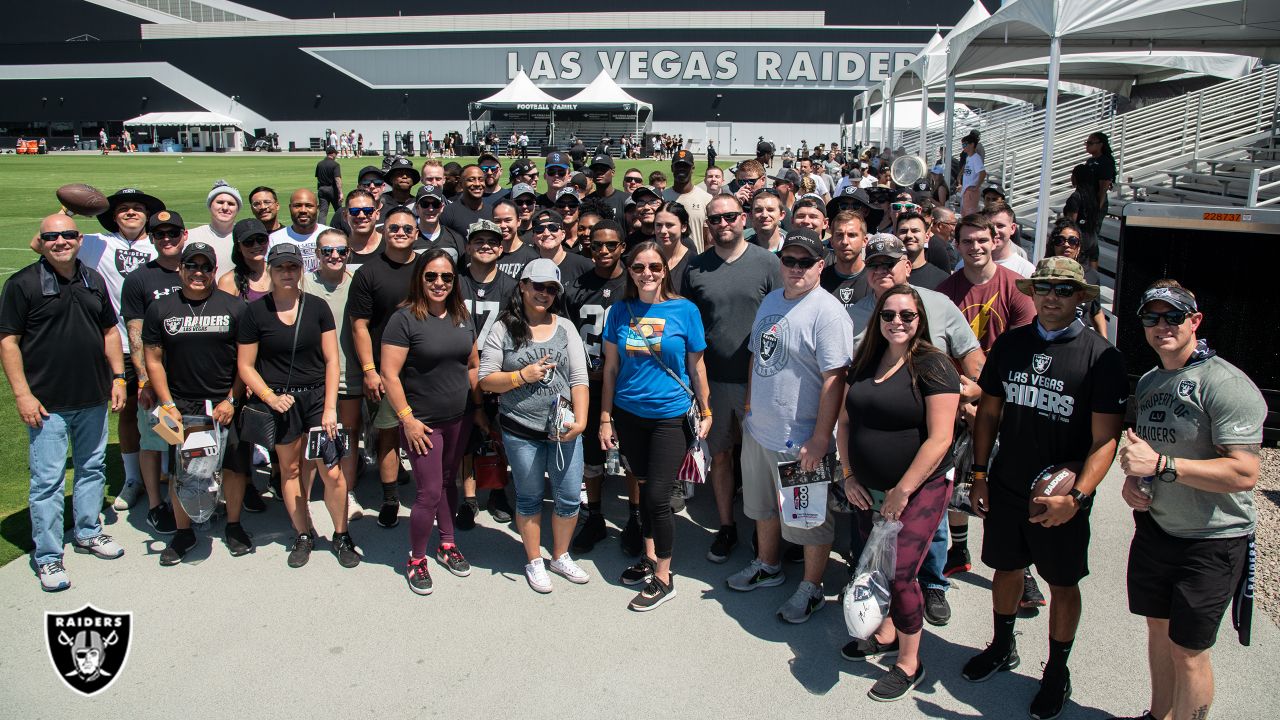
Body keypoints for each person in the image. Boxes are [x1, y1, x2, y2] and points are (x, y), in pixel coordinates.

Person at [962, 257, 1128, 720]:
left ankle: (1056, 671)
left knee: (1062, 582)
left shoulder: (1102, 356)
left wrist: (1077, 498)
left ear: (1080, 297)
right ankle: (1001, 645)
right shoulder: (1011, 344)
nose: (1052, 296)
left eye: (1063, 289)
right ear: (1032, 294)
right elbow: (990, 414)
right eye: (1044, 288)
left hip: (1061, 494)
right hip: (1009, 482)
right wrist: (979, 474)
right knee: (1007, 569)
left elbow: (1105, 441)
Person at [1112, 280, 1264, 720]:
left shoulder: (1225, 383)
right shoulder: (1150, 380)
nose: (1162, 326)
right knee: (1158, 634)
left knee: (1189, 651)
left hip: (1212, 540)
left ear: (1194, 321)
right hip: (1158, 530)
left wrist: (1161, 466)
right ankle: (1158, 716)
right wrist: (1136, 484)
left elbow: (1244, 472)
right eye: (1151, 318)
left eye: (1173, 316)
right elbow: (1147, 457)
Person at [846, 234, 985, 626]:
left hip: (923, 444)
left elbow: (971, 355)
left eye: (890, 263)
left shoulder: (938, 305)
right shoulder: (855, 314)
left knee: (927, 529)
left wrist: (976, 388)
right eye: (874, 265)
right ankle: (877, 603)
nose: (881, 271)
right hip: (873, 444)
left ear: (908, 265)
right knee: (875, 536)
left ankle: (933, 584)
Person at [838, 284, 961, 701]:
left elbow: (940, 439)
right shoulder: (865, 360)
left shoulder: (934, 365)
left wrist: (902, 491)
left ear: (920, 319)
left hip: (921, 486)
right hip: (864, 487)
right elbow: (845, 424)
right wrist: (850, 474)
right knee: (874, 563)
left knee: (903, 571)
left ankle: (910, 662)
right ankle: (886, 631)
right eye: (888, 315)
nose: (897, 322)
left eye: (907, 315)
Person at [724, 228, 853, 626]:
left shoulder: (828, 311)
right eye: (789, 260)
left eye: (805, 261)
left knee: (808, 519)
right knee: (762, 508)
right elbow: (756, 355)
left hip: (800, 440)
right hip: (761, 429)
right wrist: (748, 407)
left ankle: (812, 587)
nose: (795, 268)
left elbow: (836, 379)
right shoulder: (771, 301)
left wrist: (819, 438)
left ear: (821, 265)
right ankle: (768, 564)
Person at [1, 214, 127, 591]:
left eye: (68, 235)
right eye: (52, 236)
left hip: (92, 395)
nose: (61, 241)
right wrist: (22, 394)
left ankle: (88, 531)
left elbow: (108, 331)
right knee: (48, 481)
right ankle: (48, 556)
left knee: (92, 468)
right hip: (47, 403)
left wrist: (118, 377)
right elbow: (8, 342)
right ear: (41, 241)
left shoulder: (92, 278)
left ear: (78, 239)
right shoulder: (23, 284)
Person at [600, 240, 710, 610]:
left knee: (658, 497)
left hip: (669, 416)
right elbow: (611, 368)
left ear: (665, 271)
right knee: (644, 487)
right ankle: (649, 556)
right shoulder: (619, 311)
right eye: (638, 267)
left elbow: (696, 366)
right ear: (629, 272)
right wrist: (604, 417)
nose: (647, 274)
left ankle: (664, 576)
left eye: (654, 267)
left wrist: (707, 410)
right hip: (629, 415)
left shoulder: (685, 310)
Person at [237, 242, 357, 568]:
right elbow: (246, 365)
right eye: (280, 268)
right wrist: (270, 397)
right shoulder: (255, 312)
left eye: (292, 267)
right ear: (271, 272)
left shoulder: (317, 307)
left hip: (318, 398)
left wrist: (331, 407)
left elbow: (333, 360)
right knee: (289, 470)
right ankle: (303, 533)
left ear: (300, 270)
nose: (287, 273)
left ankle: (341, 533)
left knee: (331, 471)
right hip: (281, 402)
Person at [478, 259, 592, 594]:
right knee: (528, 497)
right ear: (523, 286)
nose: (543, 294)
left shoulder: (566, 327)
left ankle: (560, 555)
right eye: (537, 286)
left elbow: (578, 377)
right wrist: (521, 376)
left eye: (551, 289)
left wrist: (582, 420)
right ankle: (534, 560)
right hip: (521, 429)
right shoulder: (503, 327)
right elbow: (486, 380)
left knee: (569, 497)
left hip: (563, 429)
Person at [682, 194, 781, 563]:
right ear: (707, 223)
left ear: (744, 219)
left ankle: (764, 528)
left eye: (730, 217)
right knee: (721, 456)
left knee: (758, 460)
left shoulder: (768, 263)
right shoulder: (696, 268)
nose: (723, 224)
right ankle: (727, 525)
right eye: (715, 219)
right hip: (714, 382)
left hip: (762, 381)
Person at [142, 241, 254, 566]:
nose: (198, 272)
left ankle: (233, 524)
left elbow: (245, 362)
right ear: (180, 268)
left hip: (224, 403)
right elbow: (153, 359)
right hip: (183, 406)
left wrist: (232, 399)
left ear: (214, 271)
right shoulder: (161, 309)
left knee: (233, 469)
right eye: (192, 265)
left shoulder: (234, 307)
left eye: (205, 267)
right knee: (183, 472)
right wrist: (167, 403)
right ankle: (184, 531)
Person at [380, 249, 482, 593]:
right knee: (426, 492)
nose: (439, 283)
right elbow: (389, 374)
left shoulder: (461, 315)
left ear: (455, 282)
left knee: (448, 482)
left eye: (447, 277)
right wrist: (406, 419)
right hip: (422, 422)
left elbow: (471, 364)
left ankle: (448, 544)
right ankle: (417, 559)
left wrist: (478, 406)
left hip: (459, 416)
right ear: (420, 278)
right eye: (431, 276)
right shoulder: (404, 318)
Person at [77, 188, 161, 519]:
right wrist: (70, 211)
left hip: (160, 345)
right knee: (128, 412)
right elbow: (42, 244)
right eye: (123, 209)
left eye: (137, 208)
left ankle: (166, 470)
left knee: (166, 409)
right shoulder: (98, 243)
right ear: (113, 215)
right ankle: (132, 478)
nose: (130, 213)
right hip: (120, 345)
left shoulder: (160, 242)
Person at [563, 221, 639, 553]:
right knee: (591, 455)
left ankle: (635, 518)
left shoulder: (635, 283)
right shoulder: (576, 287)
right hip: (589, 385)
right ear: (587, 246)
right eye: (597, 245)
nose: (604, 251)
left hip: (629, 384)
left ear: (623, 246)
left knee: (632, 456)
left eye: (611, 245)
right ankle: (594, 516)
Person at [348, 206, 421, 529]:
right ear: (384, 231)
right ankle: (390, 497)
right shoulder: (369, 272)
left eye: (407, 228)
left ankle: (431, 493)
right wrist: (369, 369)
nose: (401, 233)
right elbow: (359, 325)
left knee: (431, 433)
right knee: (388, 435)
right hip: (387, 371)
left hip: (425, 368)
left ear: (416, 233)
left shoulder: (427, 268)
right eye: (394, 228)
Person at [119, 211, 191, 534]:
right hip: (156, 376)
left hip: (191, 376)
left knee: (188, 441)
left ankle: (192, 499)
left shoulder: (196, 269)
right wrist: (145, 379)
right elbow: (136, 335)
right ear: (151, 238)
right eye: (159, 234)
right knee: (154, 441)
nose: (166, 239)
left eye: (172, 233)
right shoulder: (139, 279)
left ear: (184, 234)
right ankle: (154, 504)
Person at [455, 220, 519, 527]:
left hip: (496, 370)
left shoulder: (510, 286)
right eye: (478, 240)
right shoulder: (454, 281)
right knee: (465, 436)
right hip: (457, 370)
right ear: (467, 246)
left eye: (492, 241)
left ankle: (497, 490)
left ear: (502, 247)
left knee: (497, 433)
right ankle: (468, 498)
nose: (486, 245)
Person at [308, 228, 367, 521]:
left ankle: (347, 491)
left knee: (348, 435)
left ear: (349, 253)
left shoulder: (359, 283)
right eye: (327, 251)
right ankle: (307, 493)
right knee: (311, 435)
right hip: (313, 375)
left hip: (351, 371)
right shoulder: (304, 283)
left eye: (341, 251)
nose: (334, 256)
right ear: (317, 254)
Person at [1044, 220, 1106, 338]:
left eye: (1073, 241)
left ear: (1078, 247)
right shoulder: (1041, 275)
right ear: (1053, 245)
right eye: (1060, 240)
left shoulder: (1091, 276)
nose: (1066, 245)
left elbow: (1096, 311)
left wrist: (1105, 342)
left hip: (1082, 339)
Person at [186, 181, 241, 275]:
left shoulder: (246, 238)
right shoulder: (191, 236)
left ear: (237, 208)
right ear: (210, 205)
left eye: (231, 204)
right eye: (220, 202)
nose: (225, 207)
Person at [268, 189, 330, 273]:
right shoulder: (275, 239)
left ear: (318, 208)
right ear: (290, 208)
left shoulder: (331, 235)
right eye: (297, 205)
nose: (303, 210)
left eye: (309, 206)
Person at [664, 150, 712, 251]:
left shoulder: (706, 199)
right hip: (668, 262)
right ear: (672, 168)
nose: (681, 170)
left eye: (685, 166)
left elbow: (707, 241)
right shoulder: (662, 198)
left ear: (692, 168)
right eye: (678, 166)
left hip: (696, 262)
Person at [820, 210, 870, 308]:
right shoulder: (819, 280)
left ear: (864, 241)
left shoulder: (875, 279)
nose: (845, 241)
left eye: (852, 235)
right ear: (832, 242)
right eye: (839, 235)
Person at [531, 208, 592, 283]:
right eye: (539, 229)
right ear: (533, 237)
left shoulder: (584, 265)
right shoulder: (530, 268)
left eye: (553, 228)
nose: (546, 233)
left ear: (563, 234)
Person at [217, 218, 272, 302]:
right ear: (238, 247)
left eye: (261, 239)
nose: (256, 245)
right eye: (248, 242)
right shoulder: (228, 281)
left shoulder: (278, 272)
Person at [1082, 131, 1115, 268]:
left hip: (1095, 204)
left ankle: (1092, 269)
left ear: (1100, 144)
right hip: (1085, 202)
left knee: (1091, 236)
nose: (1087, 145)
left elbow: (1104, 187)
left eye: (1091, 143)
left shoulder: (1105, 162)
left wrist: (1098, 207)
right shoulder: (1090, 161)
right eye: (1087, 142)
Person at [896, 211, 950, 290]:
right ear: (895, 236)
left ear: (927, 237)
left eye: (915, 231)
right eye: (903, 231)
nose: (909, 235)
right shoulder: (887, 276)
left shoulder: (943, 280)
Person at [414, 183, 466, 260]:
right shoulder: (409, 237)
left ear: (442, 207)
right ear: (417, 208)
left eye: (435, 204)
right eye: (425, 204)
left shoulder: (455, 238)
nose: (431, 209)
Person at [654, 201, 695, 282]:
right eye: (658, 225)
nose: (663, 230)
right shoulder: (647, 258)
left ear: (683, 227)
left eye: (669, 225)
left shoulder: (694, 263)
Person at [748, 189, 787, 253]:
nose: (764, 215)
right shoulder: (743, 250)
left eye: (770, 210)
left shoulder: (792, 248)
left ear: (781, 215)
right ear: (751, 215)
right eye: (758, 210)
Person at [959, 134, 985, 216]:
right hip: (966, 190)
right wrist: (959, 175)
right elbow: (965, 167)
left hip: (971, 190)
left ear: (972, 144)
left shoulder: (976, 158)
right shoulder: (968, 157)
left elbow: (983, 173)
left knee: (969, 216)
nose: (963, 146)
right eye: (962, 144)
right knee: (964, 215)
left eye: (965, 144)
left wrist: (976, 186)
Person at [316, 145, 343, 224]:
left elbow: (318, 178)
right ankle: (341, 227)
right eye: (336, 154)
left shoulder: (320, 164)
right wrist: (340, 192)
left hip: (322, 189)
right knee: (339, 211)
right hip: (332, 190)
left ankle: (321, 229)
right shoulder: (335, 165)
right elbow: (337, 179)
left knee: (323, 212)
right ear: (333, 154)